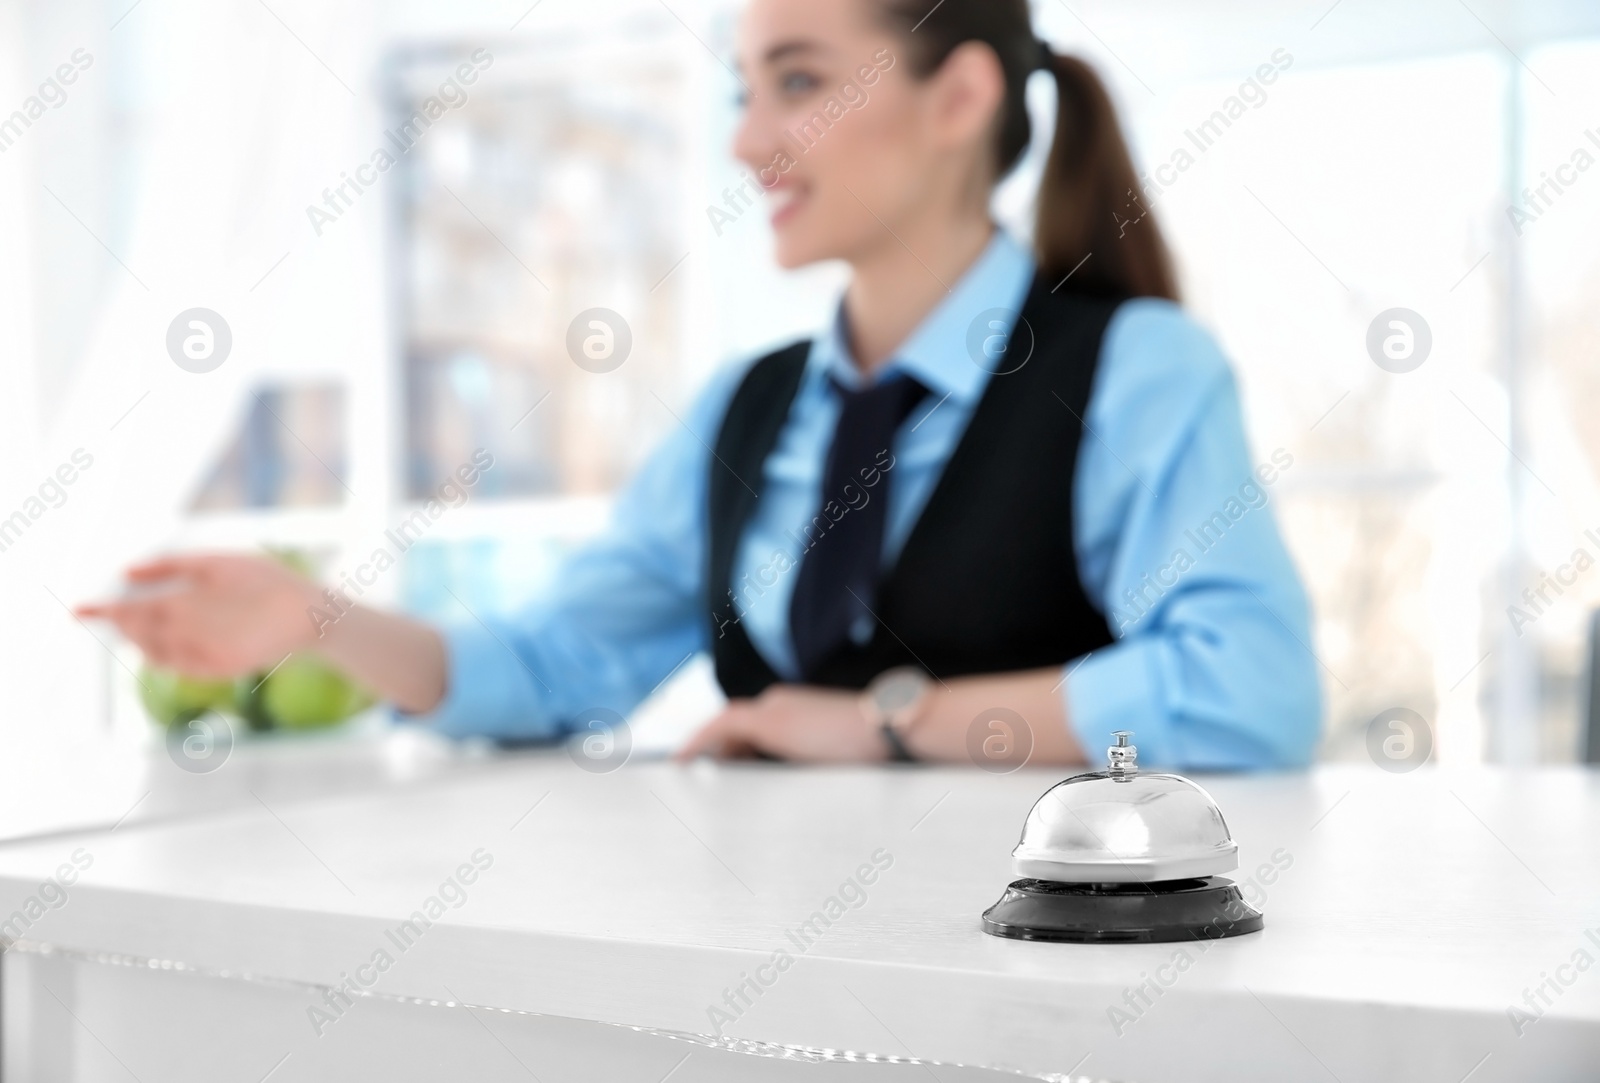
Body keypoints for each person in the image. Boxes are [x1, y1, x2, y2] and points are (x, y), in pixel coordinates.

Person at [79, 0, 1321, 769]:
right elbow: (559, 666)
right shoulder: (751, 409)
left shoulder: (1132, 371)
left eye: (796, 80)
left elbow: (1248, 690)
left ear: (959, 96)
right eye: (744, 91)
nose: (743, 140)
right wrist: (321, 625)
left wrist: (882, 721)